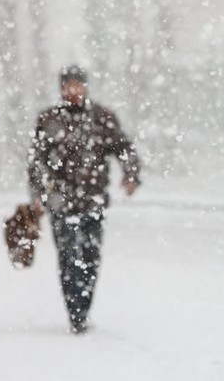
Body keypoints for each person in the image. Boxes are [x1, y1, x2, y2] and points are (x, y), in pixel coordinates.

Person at [28, 65, 141, 334]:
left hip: (93, 201)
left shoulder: (102, 118)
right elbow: (36, 162)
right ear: (61, 88)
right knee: (68, 259)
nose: (74, 91)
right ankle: (75, 313)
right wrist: (37, 196)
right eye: (69, 86)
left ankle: (85, 305)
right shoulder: (49, 119)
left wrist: (131, 174)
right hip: (60, 201)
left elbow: (124, 148)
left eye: (78, 85)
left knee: (90, 258)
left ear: (86, 87)